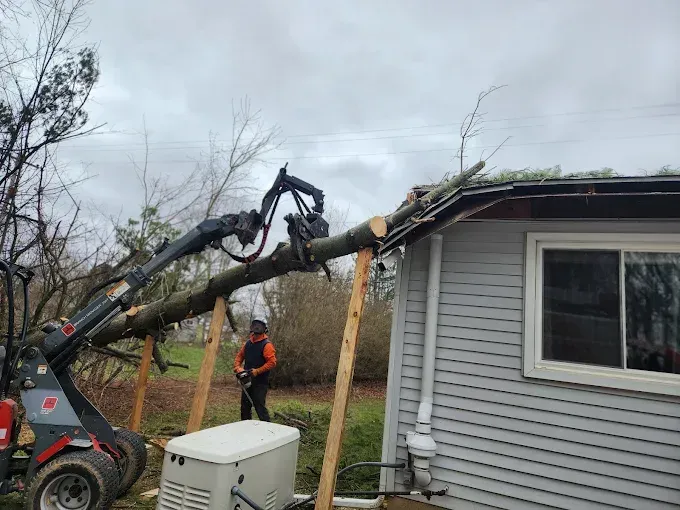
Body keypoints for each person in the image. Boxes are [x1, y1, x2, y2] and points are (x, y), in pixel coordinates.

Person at [233, 318, 277, 421]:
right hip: (246, 380)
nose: (256, 328)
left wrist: (257, 371)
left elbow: (272, 362)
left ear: (264, 329)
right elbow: (239, 357)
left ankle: (268, 430)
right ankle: (245, 430)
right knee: (245, 407)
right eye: (255, 326)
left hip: (260, 382)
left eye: (259, 326)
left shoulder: (267, 345)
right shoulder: (248, 343)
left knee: (259, 407)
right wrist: (238, 368)